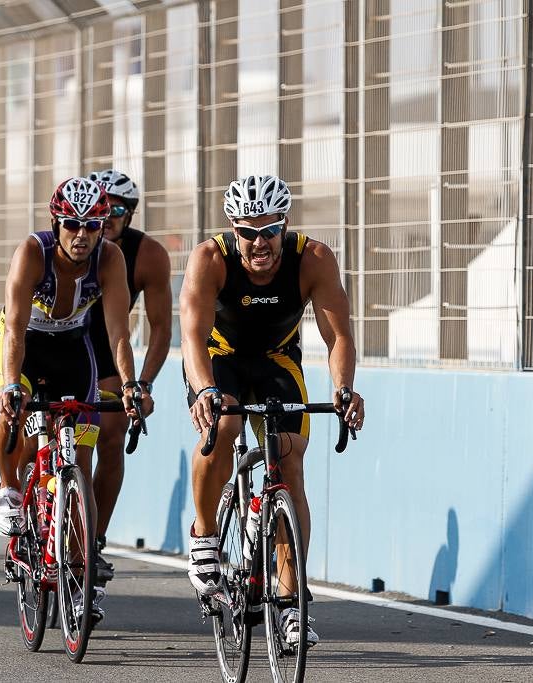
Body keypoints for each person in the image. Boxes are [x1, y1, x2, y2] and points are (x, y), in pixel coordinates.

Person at [179, 174, 365, 646]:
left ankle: (289, 602)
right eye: (248, 232)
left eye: (270, 230)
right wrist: (204, 391)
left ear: (285, 226)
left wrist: (344, 389)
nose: (259, 243)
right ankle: (204, 537)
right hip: (218, 358)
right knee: (225, 424)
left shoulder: (314, 259)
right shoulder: (210, 259)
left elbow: (338, 336)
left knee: (289, 459)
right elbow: (192, 336)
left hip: (277, 360)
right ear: (233, 230)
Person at [0, 176, 153, 621]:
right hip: (23, 344)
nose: (82, 236)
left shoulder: (110, 258)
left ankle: (79, 575)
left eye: (92, 227)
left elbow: (118, 332)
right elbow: (16, 330)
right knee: (14, 406)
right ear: (56, 223)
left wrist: (132, 384)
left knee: (79, 460)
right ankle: (8, 489)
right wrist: (9, 385)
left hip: (72, 349)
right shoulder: (32, 253)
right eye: (72, 226)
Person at [85, 169, 172, 585]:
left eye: (117, 209)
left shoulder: (147, 254)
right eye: (99, 207)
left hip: (105, 347)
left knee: (113, 431)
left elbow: (161, 328)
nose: (106, 217)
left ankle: (92, 540)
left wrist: (144, 383)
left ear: (131, 214)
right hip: (57, 341)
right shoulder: (73, 241)